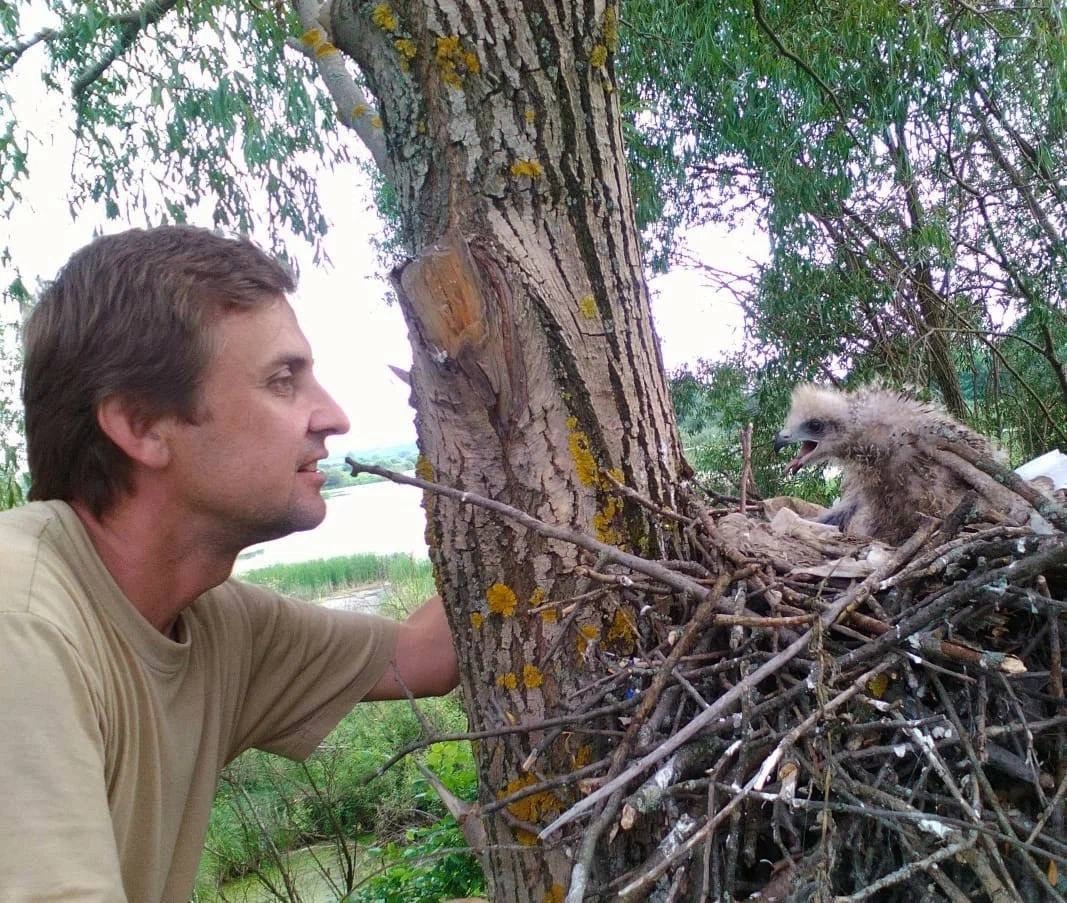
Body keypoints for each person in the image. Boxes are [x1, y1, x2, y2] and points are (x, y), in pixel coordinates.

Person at [0, 225, 459, 902]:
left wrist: (543, 484)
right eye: (282, 380)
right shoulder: (22, 621)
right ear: (141, 425)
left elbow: (422, 655)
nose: (332, 415)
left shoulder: (210, 620)